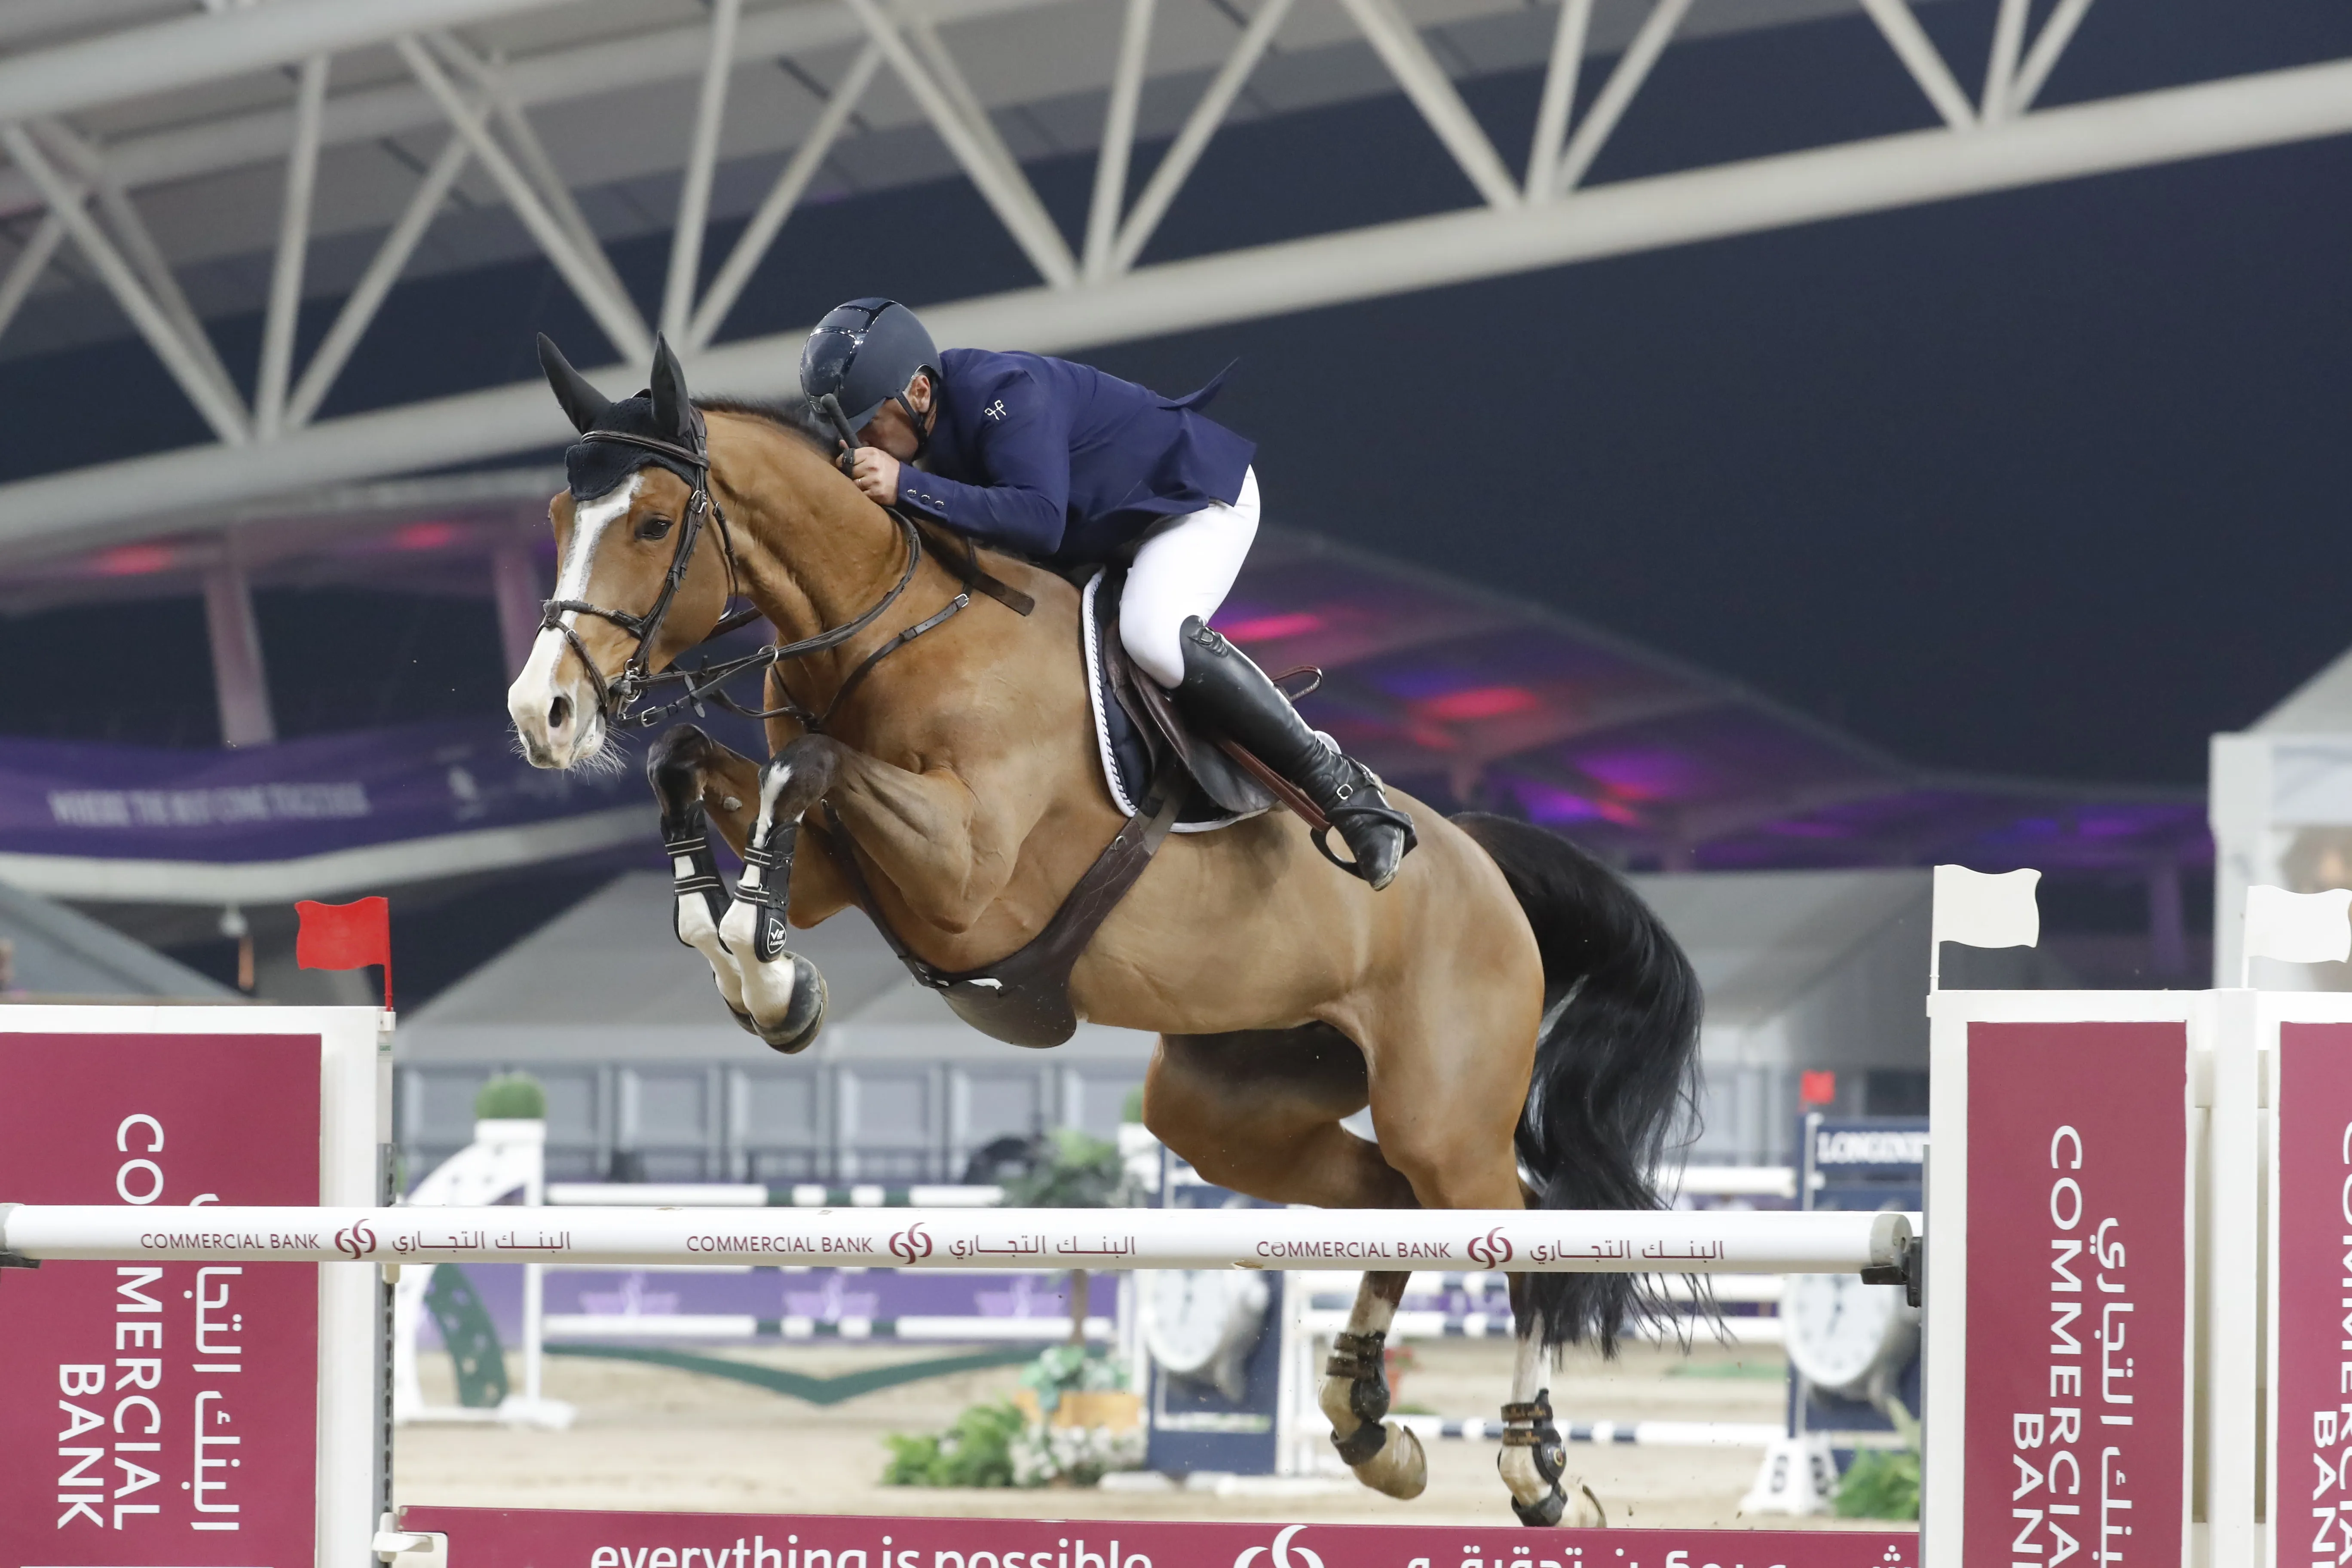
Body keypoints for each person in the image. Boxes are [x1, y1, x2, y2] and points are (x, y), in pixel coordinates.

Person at [800, 297, 1415, 889]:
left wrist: (906, 485)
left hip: (1188, 503)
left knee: (1153, 636)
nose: (864, 446)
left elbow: (1040, 519)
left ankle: (1341, 786)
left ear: (921, 392)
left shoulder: (1005, 391)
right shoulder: (921, 434)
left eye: (868, 425)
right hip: (1101, 537)